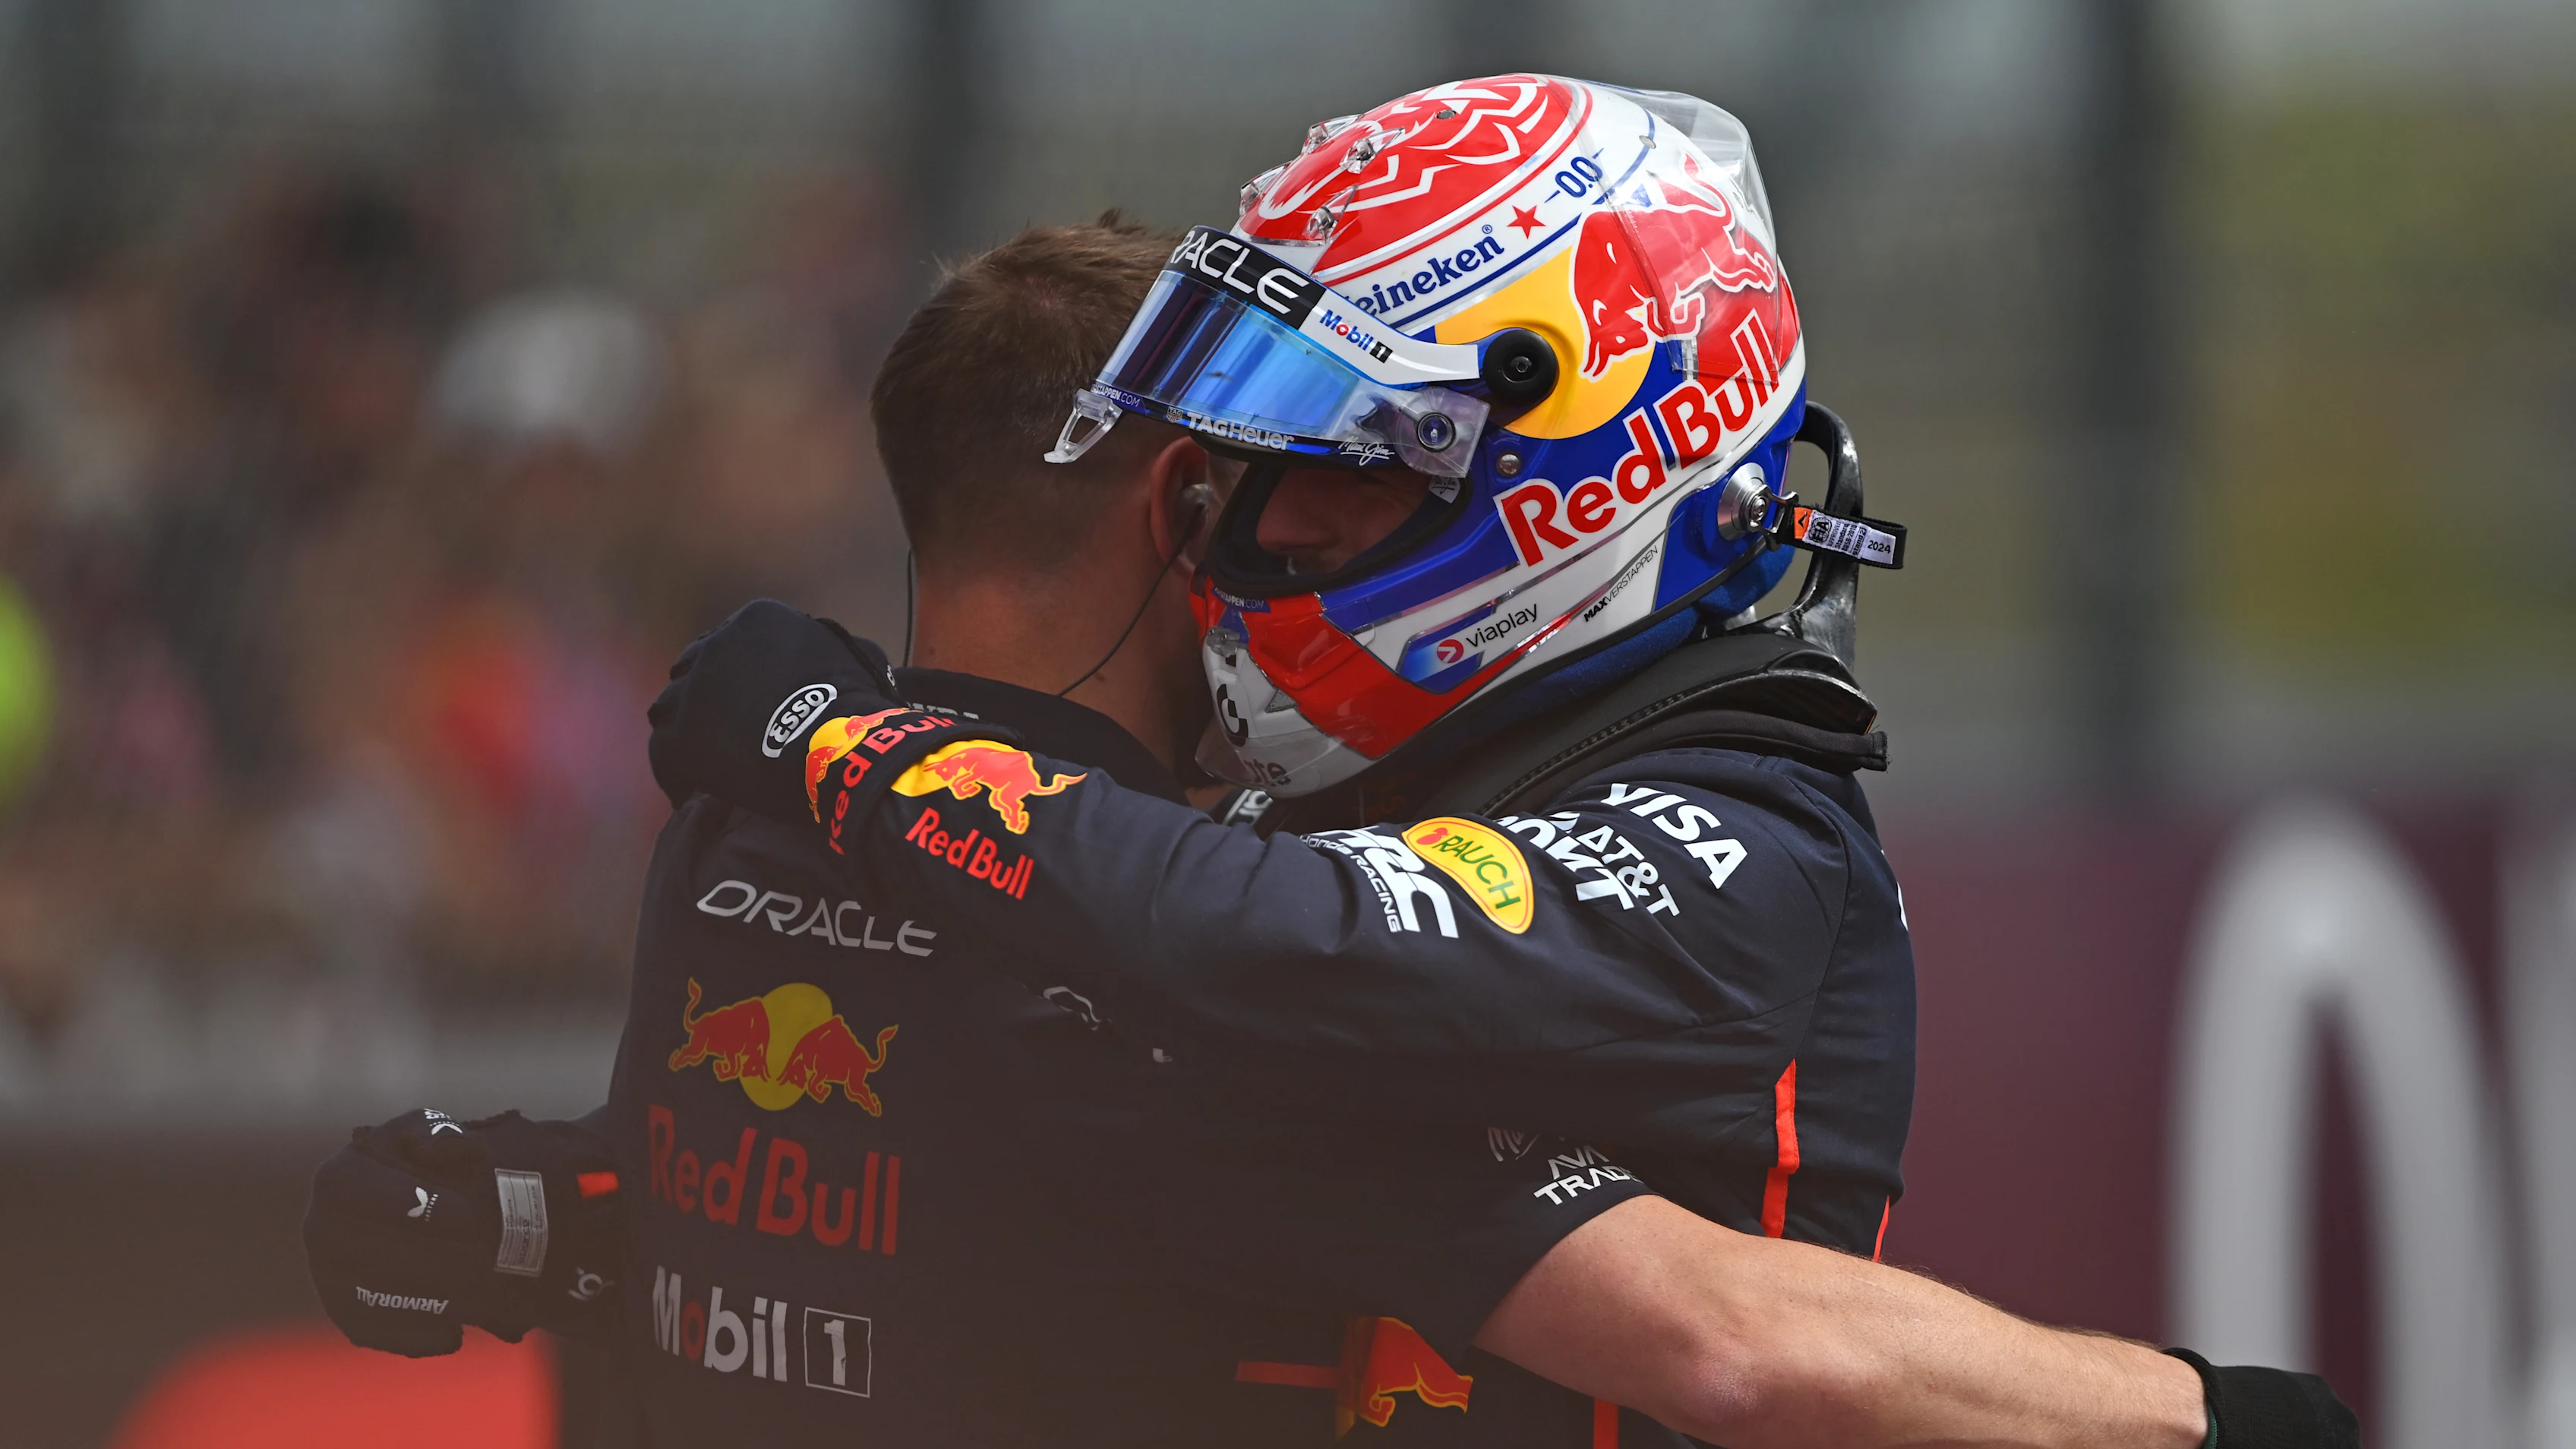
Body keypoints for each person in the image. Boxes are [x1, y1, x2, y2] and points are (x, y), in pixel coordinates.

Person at [310, 80, 2353, 1449]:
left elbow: (1717, 1328)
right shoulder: (1218, 874)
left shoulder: (1733, 838)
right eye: (1242, 478)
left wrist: (840, 746)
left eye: (1337, 481)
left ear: (1594, 455)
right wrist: (543, 1199)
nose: (1255, 551)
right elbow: (1006, 1176)